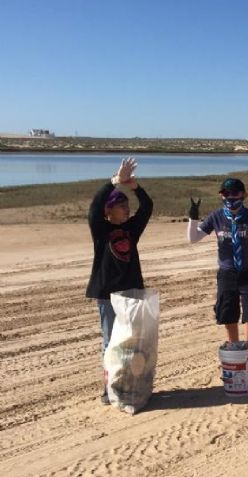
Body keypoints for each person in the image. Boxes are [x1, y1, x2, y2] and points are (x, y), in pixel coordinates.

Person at [86, 157, 153, 404]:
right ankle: (110, 387)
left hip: (132, 293)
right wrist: (114, 182)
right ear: (109, 211)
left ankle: (130, 384)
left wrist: (134, 187)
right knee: (110, 342)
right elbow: (93, 208)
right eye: (120, 205)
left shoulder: (132, 229)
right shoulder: (101, 231)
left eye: (126, 204)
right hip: (107, 295)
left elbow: (146, 207)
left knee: (132, 342)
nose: (126, 209)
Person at [187, 177, 248, 343]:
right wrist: (193, 218)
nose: (230, 197)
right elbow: (193, 238)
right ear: (221, 195)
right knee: (228, 312)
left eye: (235, 193)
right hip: (227, 273)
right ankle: (234, 349)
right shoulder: (216, 216)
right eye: (225, 193)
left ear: (244, 195)